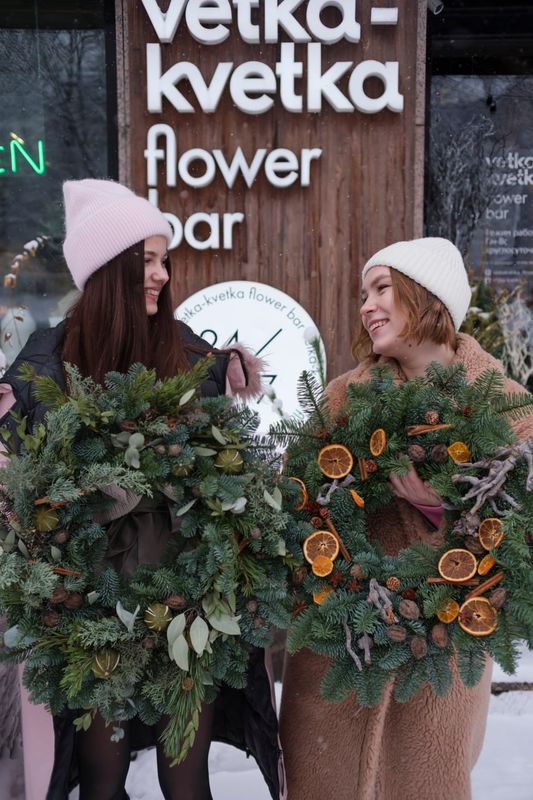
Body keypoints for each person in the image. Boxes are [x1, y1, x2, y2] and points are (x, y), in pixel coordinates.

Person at [0, 179, 284, 800]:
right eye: (147, 261)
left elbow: (226, 471)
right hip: (92, 615)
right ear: (108, 271)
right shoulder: (45, 367)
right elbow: (25, 491)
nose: (160, 275)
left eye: (163, 261)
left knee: (186, 781)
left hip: (186, 607)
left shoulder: (186, 357)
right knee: (101, 780)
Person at [279, 237, 533, 800]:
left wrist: (440, 506)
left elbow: (522, 530)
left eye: (382, 289)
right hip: (337, 652)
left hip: (440, 650)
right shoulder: (344, 399)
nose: (367, 306)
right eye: (362, 294)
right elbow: (295, 502)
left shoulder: (503, 404)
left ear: (426, 295)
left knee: (423, 779)